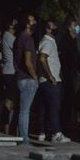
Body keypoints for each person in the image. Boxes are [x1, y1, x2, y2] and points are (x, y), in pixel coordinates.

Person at [37, 19, 71, 143]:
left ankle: (42, 132)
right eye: (53, 26)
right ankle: (56, 133)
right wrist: (50, 76)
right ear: (47, 29)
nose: (56, 27)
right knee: (54, 107)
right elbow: (42, 58)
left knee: (44, 108)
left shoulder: (47, 42)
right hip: (51, 81)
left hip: (43, 81)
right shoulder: (48, 42)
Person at [12, 16, 40, 144]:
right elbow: (28, 62)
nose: (34, 23)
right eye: (32, 21)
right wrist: (35, 77)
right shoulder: (28, 39)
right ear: (27, 25)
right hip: (28, 79)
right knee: (25, 111)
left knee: (20, 109)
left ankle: (18, 136)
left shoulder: (18, 38)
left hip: (19, 77)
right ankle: (24, 139)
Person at [59, 18, 80, 137]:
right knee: (66, 103)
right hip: (67, 75)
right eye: (75, 25)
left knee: (70, 102)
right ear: (69, 28)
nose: (77, 27)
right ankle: (63, 127)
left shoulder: (73, 41)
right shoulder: (66, 41)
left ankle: (67, 126)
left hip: (72, 75)